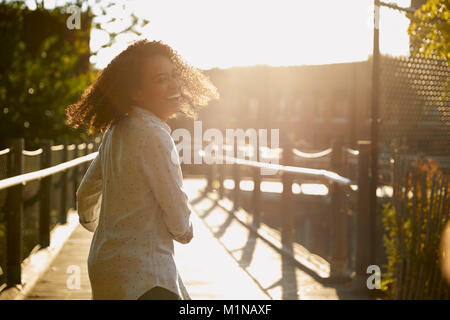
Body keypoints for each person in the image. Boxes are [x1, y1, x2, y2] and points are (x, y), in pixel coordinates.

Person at [65, 39, 219, 300]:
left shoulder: (115, 131)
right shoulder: (155, 135)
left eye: (174, 76)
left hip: (104, 266)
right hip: (145, 274)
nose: (174, 85)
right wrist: (185, 232)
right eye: (161, 79)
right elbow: (177, 212)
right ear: (135, 92)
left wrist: (105, 229)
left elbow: (85, 194)